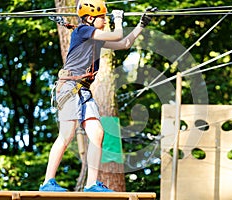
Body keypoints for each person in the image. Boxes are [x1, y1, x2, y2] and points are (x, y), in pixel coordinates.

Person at [39, 0, 152, 192]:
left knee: (97, 133)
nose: (105, 20)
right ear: (90, 18)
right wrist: (118, 17)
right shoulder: (83, 31)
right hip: (69, 89)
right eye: (103, 17)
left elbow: (124, 43)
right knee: (66, 135)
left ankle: (91, 184)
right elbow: (117, 34)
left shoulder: (95, 39)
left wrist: (141, 24)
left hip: (83, 90)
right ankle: (47, 182)